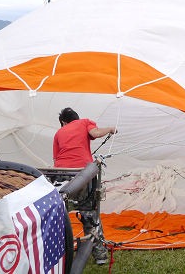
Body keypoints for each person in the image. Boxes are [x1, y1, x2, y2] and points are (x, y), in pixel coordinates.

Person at [53, 107, 117, 265]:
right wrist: (110, 129)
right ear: (76, 118)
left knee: (60, 215)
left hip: (62, 176)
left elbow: (56, 160)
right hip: (82, 175)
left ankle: (57, 254)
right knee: (90, 214)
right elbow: (95, 133)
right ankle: (100, 256)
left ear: (63, 122)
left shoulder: (58, 133)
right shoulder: (84, 122)